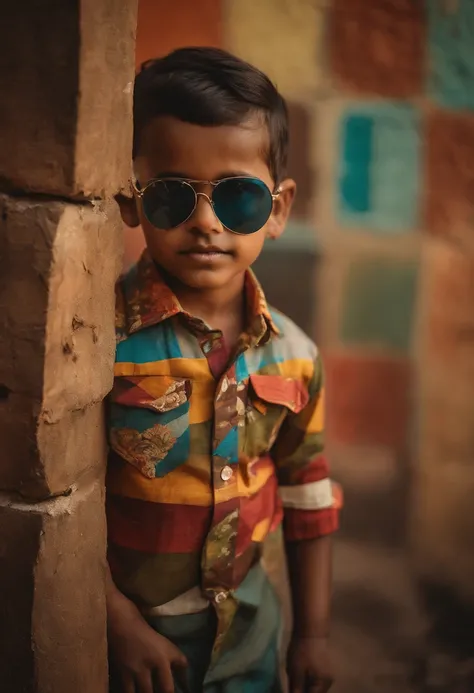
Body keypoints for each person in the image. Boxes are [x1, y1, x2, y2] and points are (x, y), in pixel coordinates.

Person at [106, 47, 341, 693]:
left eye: (237, 198)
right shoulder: (99, 345)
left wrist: (312, 635)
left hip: (250, 644)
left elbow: (307, 492)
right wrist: (115, 620)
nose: (206, 222)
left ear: (279, 207)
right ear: (132, 204)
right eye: (173, 196)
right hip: (127, 651)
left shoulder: (296, 354)